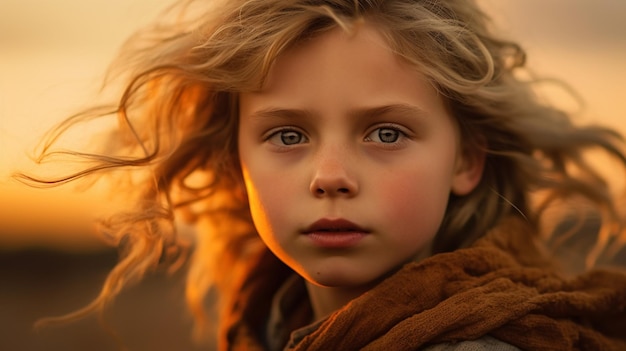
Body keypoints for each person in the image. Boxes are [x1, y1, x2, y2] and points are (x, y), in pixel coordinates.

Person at [20, 0, 626, 349]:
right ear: (238, 165)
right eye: (287, 135)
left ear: (466, 160)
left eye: (387, 133)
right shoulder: (265, 325)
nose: (330, 177)